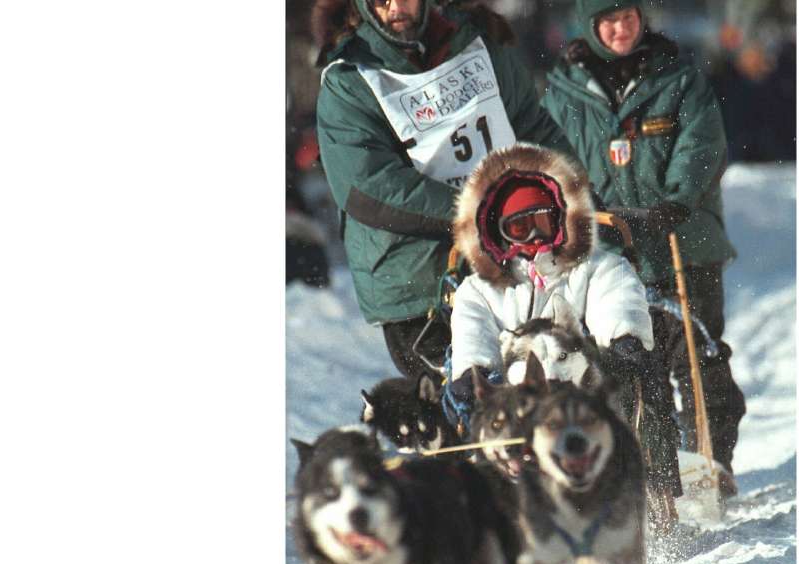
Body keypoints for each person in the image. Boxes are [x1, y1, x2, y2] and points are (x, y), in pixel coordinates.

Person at [542, 0, 746, 495]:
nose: (620, 29)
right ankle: (651, 473)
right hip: (610, 254)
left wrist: (674, 201)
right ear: (590, 26)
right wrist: (583, 210)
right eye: (608, 21)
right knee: (632, 366)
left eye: (628, 17)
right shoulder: (563, 89)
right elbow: (553, 158)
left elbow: (703, 144)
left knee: (700, 360)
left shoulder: (677, 77)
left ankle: (710, 463)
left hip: (684, 239)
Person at [311, 0, 572, 378]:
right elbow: (369, 189)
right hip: (420, 286)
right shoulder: (350, 79)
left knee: (543, 400)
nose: (397, 6)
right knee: (466, 419)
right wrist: (482, 214)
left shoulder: (478, 45)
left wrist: (575, 195)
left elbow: (533, 128)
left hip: (515, 264)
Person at [445, 142, 653, 405]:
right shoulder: (479, 290)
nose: (534, 236)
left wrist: (623, 336)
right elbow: (473, 332)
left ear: (560, 219)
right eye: (520, 227)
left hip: (588, 392)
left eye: (542, 222)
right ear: (498, 233)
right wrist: (474, 372)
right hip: (517, 402)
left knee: (636, 381)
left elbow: (615, 297)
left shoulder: (593, 267)